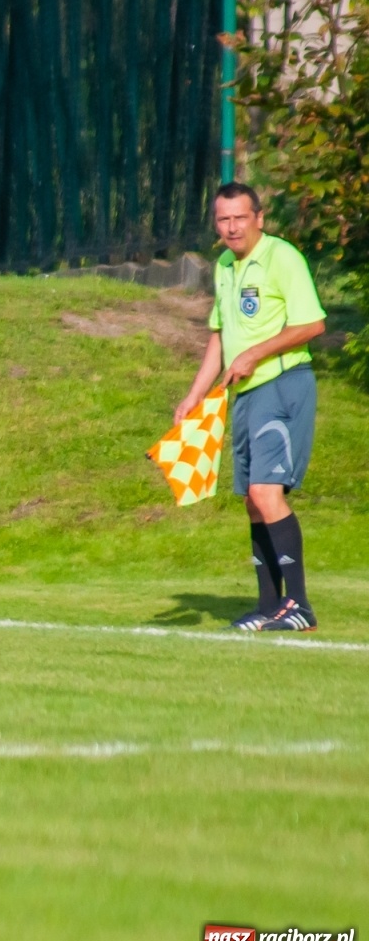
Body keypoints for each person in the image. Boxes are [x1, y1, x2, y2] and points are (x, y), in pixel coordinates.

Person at [175, 182, 326, 631]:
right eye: (224, 219)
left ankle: (299, 605)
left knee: (267, 492)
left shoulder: (282, 258)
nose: (232, 227)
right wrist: (193, 395)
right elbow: (219, 336)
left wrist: (255, 354)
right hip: (245, 394)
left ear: (260, 217)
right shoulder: (224, 265)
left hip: (283, 385)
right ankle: (268, 605)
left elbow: (313, 324)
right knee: (252, 502)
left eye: (241, 217)